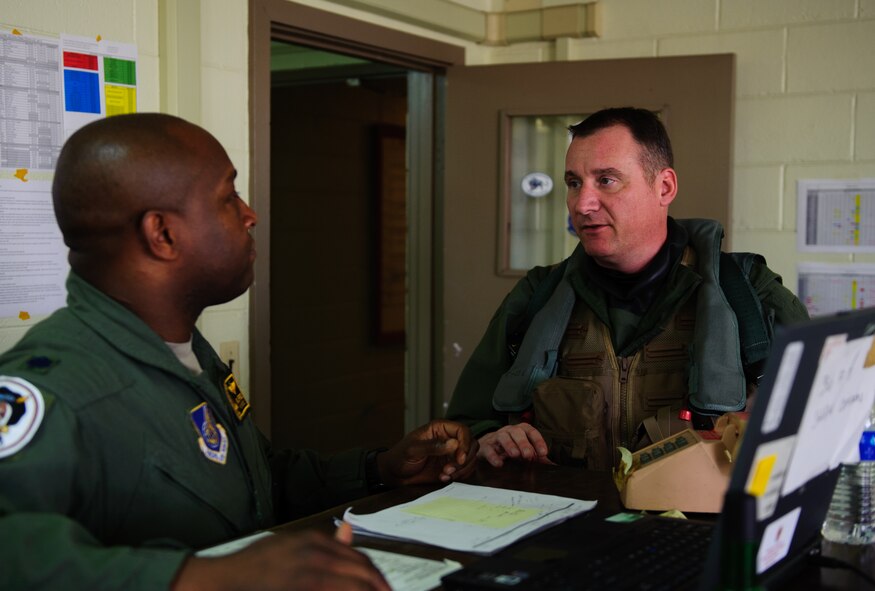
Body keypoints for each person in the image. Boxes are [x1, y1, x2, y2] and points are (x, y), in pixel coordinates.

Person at [0, 113, 478, 590]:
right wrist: (204, 578)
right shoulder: (52, 387)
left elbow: (254, 482)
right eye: (228, 198)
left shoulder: (184, 353)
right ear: (162, 234)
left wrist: (379, 470)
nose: (250, 214)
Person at [446, 107, 809, 471]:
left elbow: (824, 434)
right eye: (574, 183)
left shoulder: (750, 295)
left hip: (697, 526)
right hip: (565, 522)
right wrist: (487, 438)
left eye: (606, 180)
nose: (583, 204)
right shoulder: (536, 297)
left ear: (664, 187)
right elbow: (467, 427)